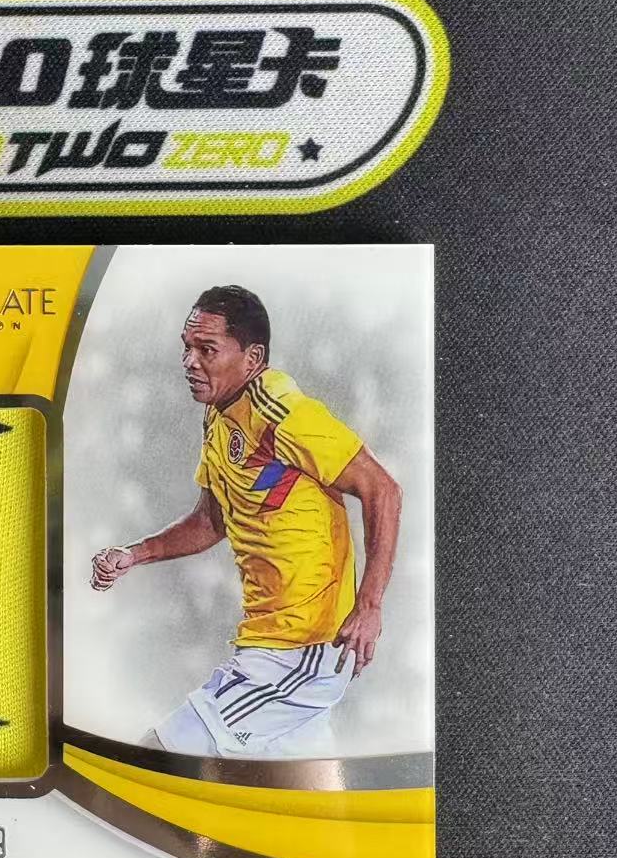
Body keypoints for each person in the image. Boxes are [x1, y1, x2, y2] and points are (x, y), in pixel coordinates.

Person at [90, 285, 402, 758]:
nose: (190, 362)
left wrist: (370, 607)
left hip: (302, 650)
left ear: (252, 357)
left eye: (207, 350)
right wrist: (135, 554)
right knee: (292, 795)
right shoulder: (219, 418)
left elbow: (383, 489)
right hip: (272, 645)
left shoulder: (284, 413)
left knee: (152, 760)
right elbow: (210, 520)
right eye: (187, 348)